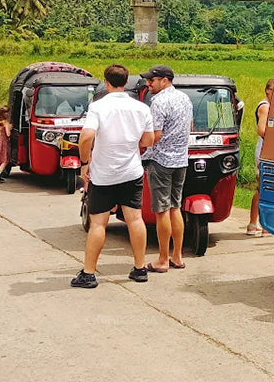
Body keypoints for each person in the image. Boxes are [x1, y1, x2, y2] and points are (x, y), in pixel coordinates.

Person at [71, 64, 153, 289]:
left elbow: (86, 137)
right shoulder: (141, 108)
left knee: (99, 223)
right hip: (131, 172)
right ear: (126, 82)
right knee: (135, 219)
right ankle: (140, 268)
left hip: (103, 174)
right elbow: (148, 140)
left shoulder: (98, 107)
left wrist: (85, 162)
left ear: (106, 83)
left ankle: (89, 274)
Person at [142, 65, 193, 271]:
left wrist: (139, 144)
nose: (148, 84)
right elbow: (190, 127)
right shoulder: (185, 98)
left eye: (152, 80)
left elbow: (155, 136)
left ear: (164, 80)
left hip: (161, 161)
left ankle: (163, 259)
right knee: (175, 207)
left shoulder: (158, 101)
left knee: (161, 210)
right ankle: (177, 256)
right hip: (181, 161)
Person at [247, 79, 274, 236]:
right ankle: (263, 224)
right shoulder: (265, 107)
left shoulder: (271, 106)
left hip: (267, 150)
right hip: (265, 151)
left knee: (262, 188)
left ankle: (254, 224)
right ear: (268, 90)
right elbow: (262, 130)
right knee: (265, 188)